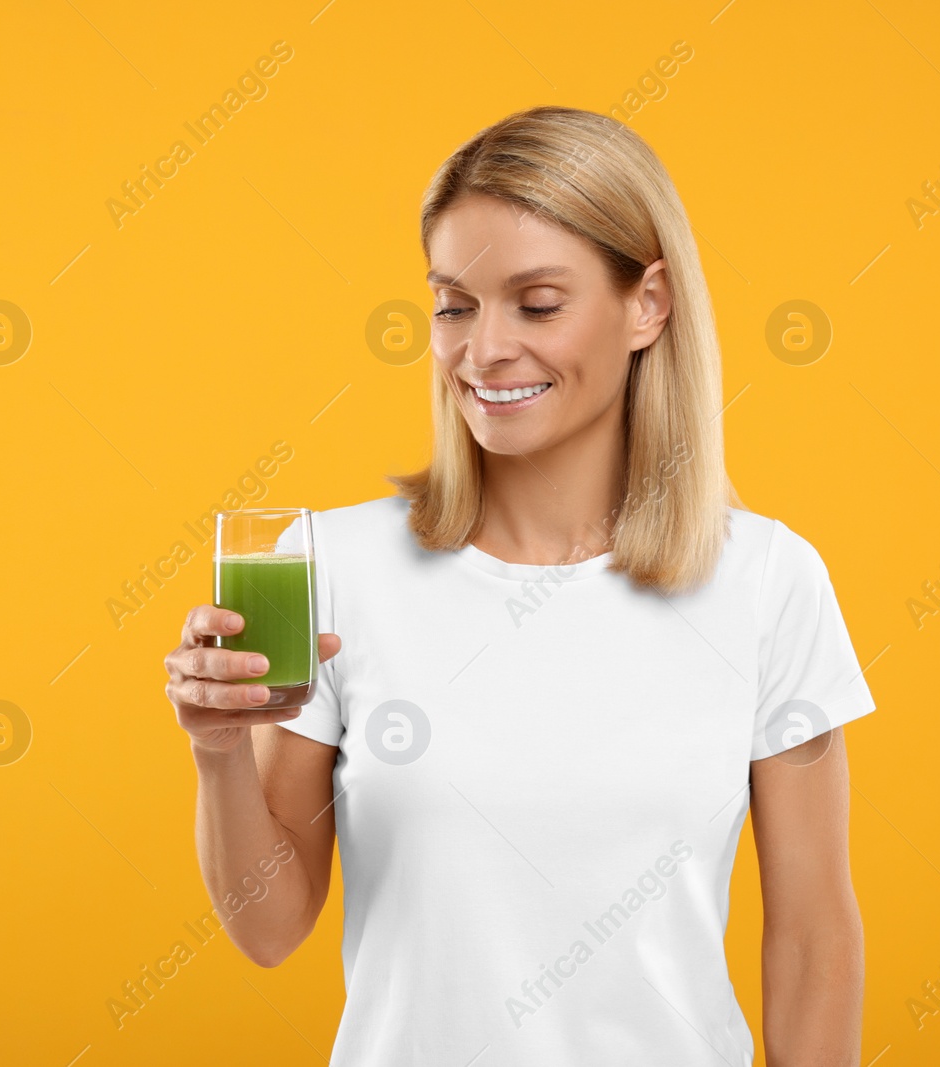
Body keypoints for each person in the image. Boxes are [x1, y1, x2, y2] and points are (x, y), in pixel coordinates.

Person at [165, 105, 875, 1065]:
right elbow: (269, 927)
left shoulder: (766, 581)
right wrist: (218, 753)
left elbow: (811, 935)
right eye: (454, 304)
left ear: (648, 304)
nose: (483, 348)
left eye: (536, 304)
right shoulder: (329, 566)